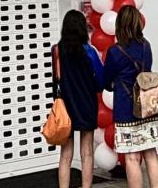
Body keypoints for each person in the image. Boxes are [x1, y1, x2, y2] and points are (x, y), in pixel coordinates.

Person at [103, 5, 158, 188]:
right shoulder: (146, 46)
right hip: (148, 106)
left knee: (131, 157)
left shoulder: (115, 51)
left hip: (126, 110)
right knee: (151, 154)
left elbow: (107, 81)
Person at [53, 10, 103, 188]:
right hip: (87, 105)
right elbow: (100, 80)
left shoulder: (57, 50)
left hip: (65, 107)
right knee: (87, 152)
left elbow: (56, 79)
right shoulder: (89, 51)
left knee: (65, 154)